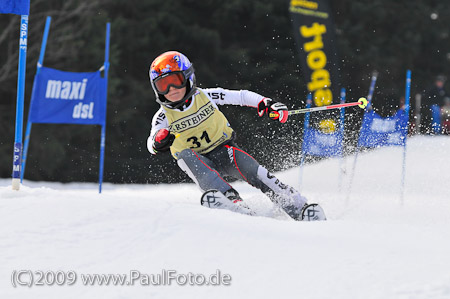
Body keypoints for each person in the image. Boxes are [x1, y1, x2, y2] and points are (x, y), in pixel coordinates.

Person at [147, 51, 325, 221]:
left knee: (256, 172)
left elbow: (240, 96)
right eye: (163, 85)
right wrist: (158, 141)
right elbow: (152, 142)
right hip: (197, 160)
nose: (171, 89)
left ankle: (299, 208)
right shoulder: (163, 116)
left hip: (224, 151)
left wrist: (265, 103)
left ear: (188, 77)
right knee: (184, 156)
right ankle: (230, 199)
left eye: (176, 81)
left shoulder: (206, 96)